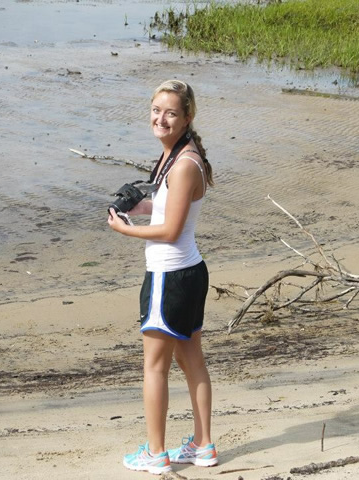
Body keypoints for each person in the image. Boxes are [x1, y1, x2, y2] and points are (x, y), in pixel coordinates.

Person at [108, 79, 217, 475]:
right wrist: (141, 210)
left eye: (171, 112)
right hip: (188, 272)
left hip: (169, 276)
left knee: (154, 367)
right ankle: (203, 446)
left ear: (187, 116)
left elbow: (170, 231)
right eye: (156, 110)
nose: (161, 118)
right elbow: (173, 207)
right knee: (191, 362)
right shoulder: (180, 155)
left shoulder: (184, 163)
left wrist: (125, 231)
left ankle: (155, 454)